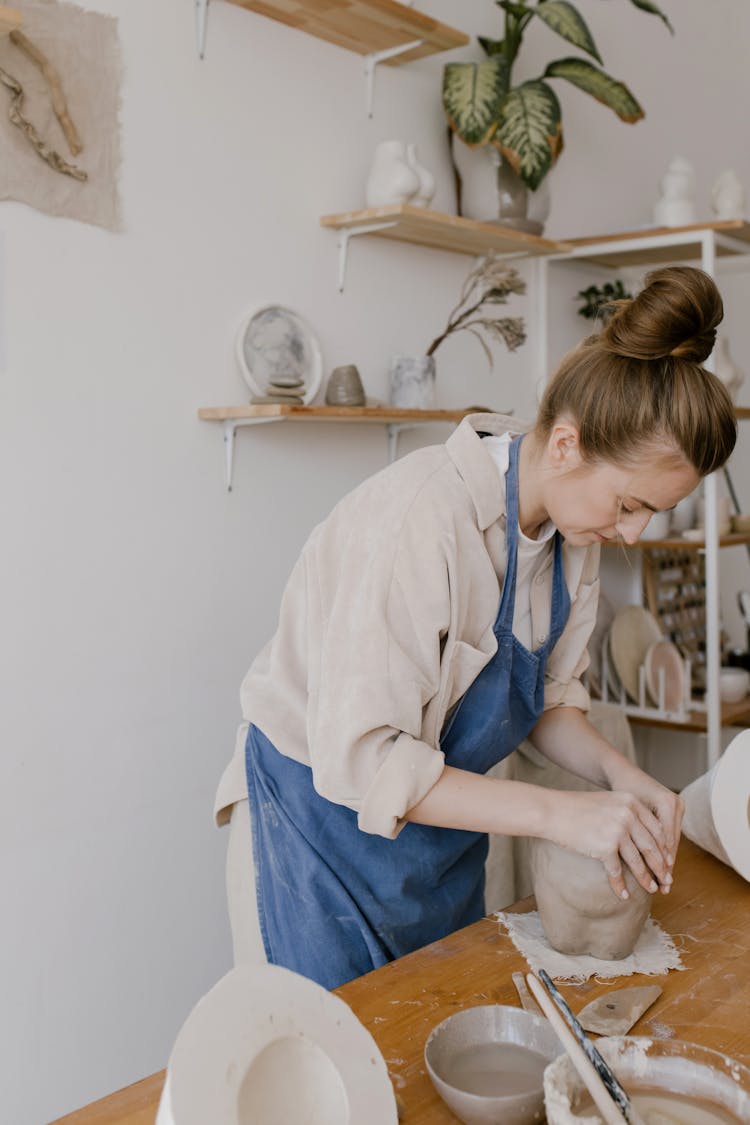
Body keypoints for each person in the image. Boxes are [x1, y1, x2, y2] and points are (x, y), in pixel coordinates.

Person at [214, 266, 736, 990]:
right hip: (312, 835)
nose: (634, 532)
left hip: (431, 847)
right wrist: (560, 814)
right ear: (565, 444)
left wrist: (620, 774)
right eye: (628, 504)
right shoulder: (420, 521)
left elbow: (546, 702)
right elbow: (366, 759)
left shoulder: (571, 544)